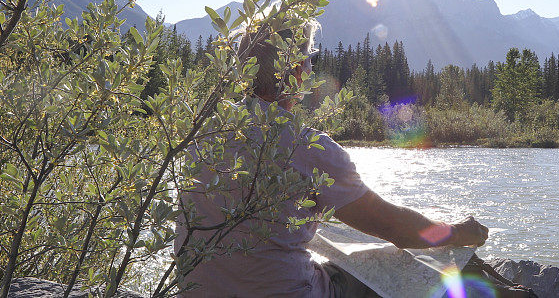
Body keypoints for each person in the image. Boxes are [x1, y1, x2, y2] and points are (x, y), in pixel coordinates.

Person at [174, 21, 490, 298]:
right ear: (296, 70)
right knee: (392, 270)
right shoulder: (308, 145)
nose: (312, 69)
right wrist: (460, 233)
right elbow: (397, 229)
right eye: (310, 59)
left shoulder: (203, 134)